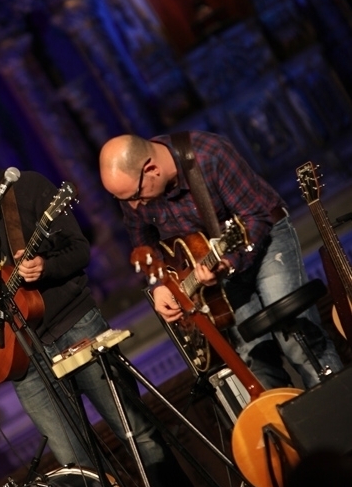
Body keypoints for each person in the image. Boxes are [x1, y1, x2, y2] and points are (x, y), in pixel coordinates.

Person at [0, 123, 207, 487]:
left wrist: (44, 266)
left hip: (77, 326)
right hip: (22, 354)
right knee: (77, 466)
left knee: (136, 430)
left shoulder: (27, 188)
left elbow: (80, 250)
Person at [99, 132, 342, 390]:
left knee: (296, 338)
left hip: (264, 240)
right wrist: (160, 284)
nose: (134, 206)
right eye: (123, 200)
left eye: (135, 196)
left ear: (152, 169)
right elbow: (142, 241)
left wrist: (228, 261)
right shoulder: (132, 188)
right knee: (255, 362)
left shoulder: (210, 155)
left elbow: (256, 218)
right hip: (213, 268)